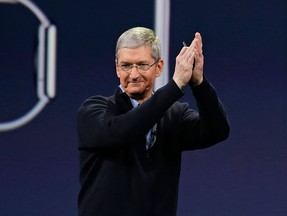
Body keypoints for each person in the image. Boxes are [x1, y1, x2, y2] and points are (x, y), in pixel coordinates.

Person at [77, 26, 230, 216]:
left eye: (142, 65)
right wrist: (174, 86)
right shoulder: (94, 110)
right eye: (126, 65)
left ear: (159, 67)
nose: (133, 74)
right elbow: (123, 131)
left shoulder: (174, 115)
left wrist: (199, 83)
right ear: (117, 68)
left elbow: (217, 130)